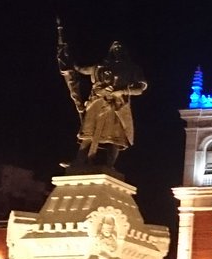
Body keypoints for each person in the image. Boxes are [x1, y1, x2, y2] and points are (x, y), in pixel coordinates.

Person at [57, 26, 148, 171]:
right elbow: (81, 69)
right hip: (97, 102)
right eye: (115, 46)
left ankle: (109, 166)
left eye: (120, 47)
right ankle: (79, 161)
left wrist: (123, 91)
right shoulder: (100, 66)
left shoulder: (132, 68)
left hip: (118, 105)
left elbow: (141, 88)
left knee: (115, 138)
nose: (117, 49)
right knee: (88, 133)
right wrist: (68, 61)